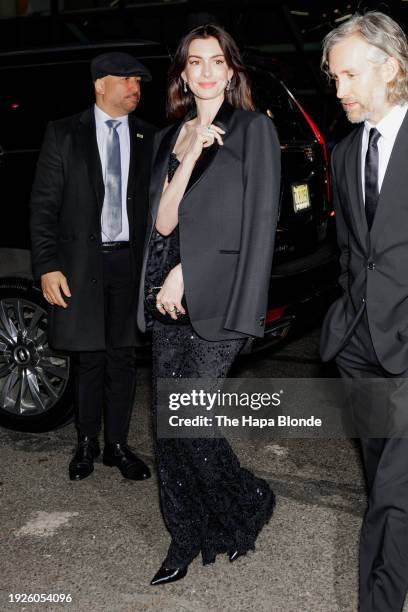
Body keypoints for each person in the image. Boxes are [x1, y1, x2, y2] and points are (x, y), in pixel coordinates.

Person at [137, 24, 281, 585]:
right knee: (168, 426)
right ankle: (185, 534)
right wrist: (193, 153)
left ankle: (247, 499)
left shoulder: (252, 131)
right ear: (182, 73)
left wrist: (188, 273)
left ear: (231, 70)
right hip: (163, 296)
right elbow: (165, 220)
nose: (204, 71)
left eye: (215, 61)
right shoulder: (168, 138)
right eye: (193, 62)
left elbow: (258, 225)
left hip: (216, 295)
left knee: (190, 421)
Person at [30, 52, 156, 482]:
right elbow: (44, 206)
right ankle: (86, 442)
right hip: (82, 262)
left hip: (128, 262)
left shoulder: (148, 137)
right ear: (100, 84)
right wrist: (47, 265)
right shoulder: (64, 133)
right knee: (88, 358)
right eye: (127, 79)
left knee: (122, 358)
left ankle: (117, 446)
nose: (136, 87)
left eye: (139, 81)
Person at [320, 12, 408, 612]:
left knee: (392, 499)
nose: (339, 90)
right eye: (333, 78)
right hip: (360, 350)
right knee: (382, 480)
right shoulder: (345, 152)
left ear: (392, 69)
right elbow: (354, 254)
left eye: (349, 75)